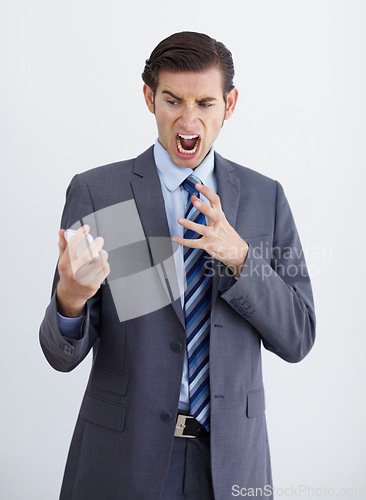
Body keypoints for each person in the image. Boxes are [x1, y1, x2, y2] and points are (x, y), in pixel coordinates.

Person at [39, 31, 316, 500]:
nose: (189, 120)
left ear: (230, 104)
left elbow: (298, 338)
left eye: (205, 103)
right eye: (173, 101)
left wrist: (241, 257)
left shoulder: (265, 198)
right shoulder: (101, 193)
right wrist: (70, 298)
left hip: (231, 463)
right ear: (149, 98)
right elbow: (59, 355)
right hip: (123, 460)